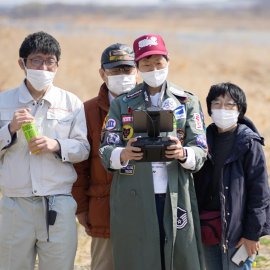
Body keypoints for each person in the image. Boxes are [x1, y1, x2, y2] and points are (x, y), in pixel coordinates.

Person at [99, 33, 208, 270]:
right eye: (146, 64)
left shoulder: (186, 101)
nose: (154, 69)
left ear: (168, 62)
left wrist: (183, 153)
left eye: (159, 63)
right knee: (138, 256)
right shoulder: (123, 103)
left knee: (179, 256)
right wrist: (124, 154)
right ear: (138, 67)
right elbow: (106, 149)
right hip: (134, 193)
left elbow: (200, 148)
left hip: (175, 190)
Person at [0, 31, 90, 270]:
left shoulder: (71, 103)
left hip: (57, 204)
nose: (43, 67)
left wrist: (57, 145)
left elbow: (83, 149)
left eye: (50, 61)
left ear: (57, 66)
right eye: (36, 60)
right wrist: (9, 129)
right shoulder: (3, 102)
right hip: (15, 205)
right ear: (22, 63)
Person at [72, 43, 137, 270]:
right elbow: (79, 166)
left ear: (136, 71)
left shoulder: (151, 107)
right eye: (115, 70)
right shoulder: (88, 111)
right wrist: (81, 208)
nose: (122, 76)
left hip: (144, 212)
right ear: (102, 73)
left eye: (127, 70)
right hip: (103, 212)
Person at [194, 82, 270, 270]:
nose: (223, 109)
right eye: (217, 104)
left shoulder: (249, 144)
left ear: (240, 110)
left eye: (230, 104)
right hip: (208, 228)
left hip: (239, 232)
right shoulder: (201, 139)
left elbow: (259, 194)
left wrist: (252, 234)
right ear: (209, 109)